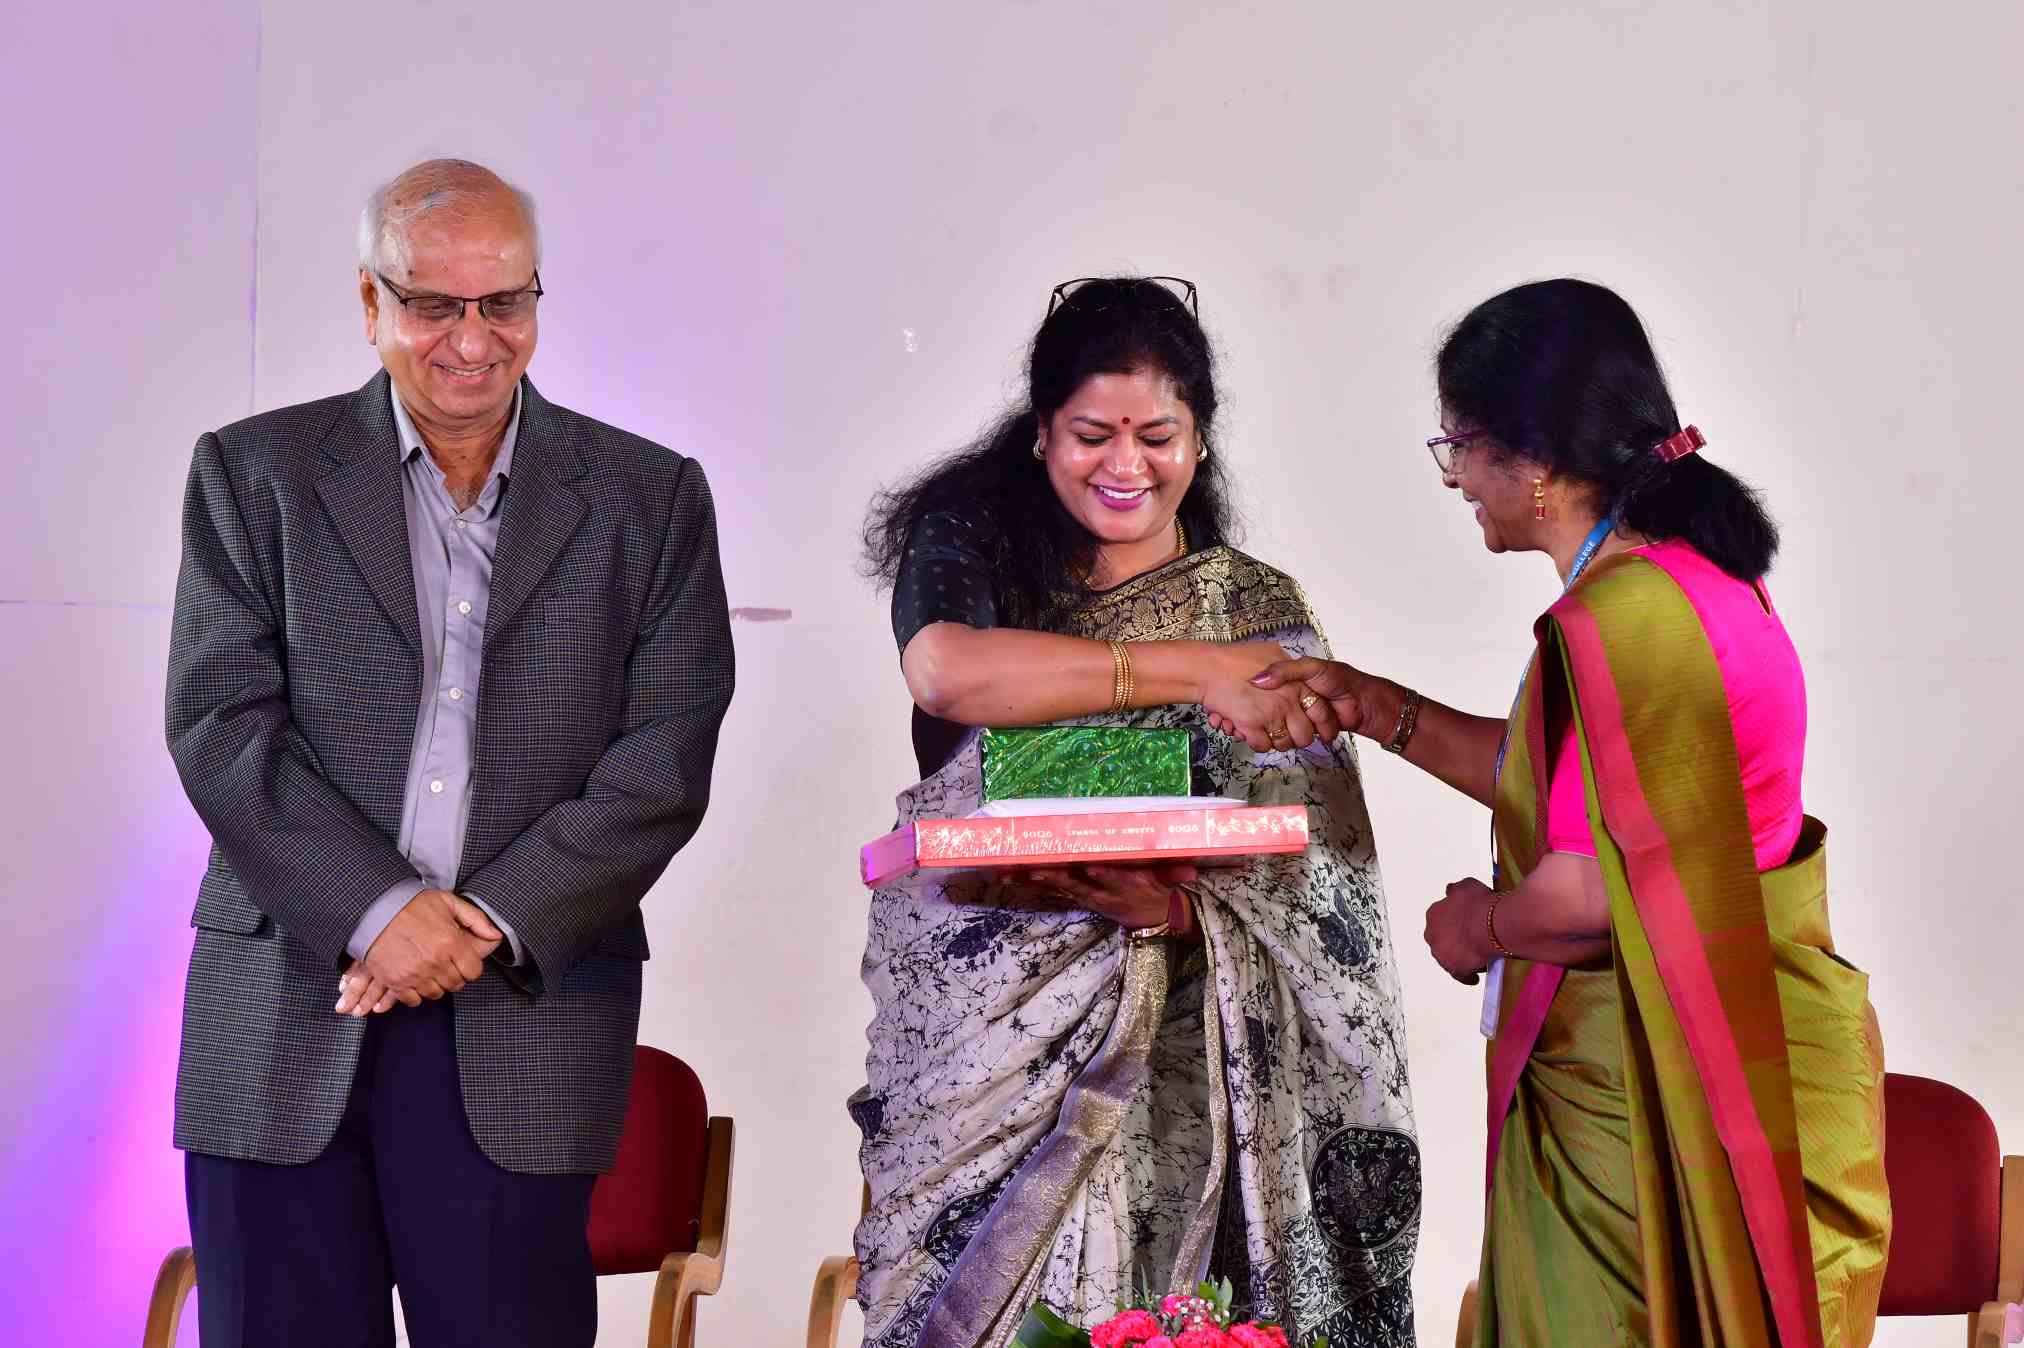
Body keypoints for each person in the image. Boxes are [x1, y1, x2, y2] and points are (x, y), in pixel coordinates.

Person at [163, 158, 734, 1347]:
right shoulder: (254, 475)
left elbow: (664, 754)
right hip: (285, 999)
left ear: (536, 296)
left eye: (504, 301)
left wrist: (471, 923)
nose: (472, 340)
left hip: (523, 1007)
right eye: (432, 304)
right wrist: (378, 911)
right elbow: (222, 724)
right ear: (371, 302)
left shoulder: (648, 498)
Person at [1259, 279, 1890, 1345]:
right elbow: (1581, 798)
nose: (1454, 476)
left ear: (1535, 460)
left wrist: (1478, 924)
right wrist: (1375, 706)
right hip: (1718, 1062)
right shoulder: (1690, 581)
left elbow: (1593, 891)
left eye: (1459, 445)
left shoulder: (1627, 618)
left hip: (1645, 1106)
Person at [851, 277, 1420, 1348]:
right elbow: (945, 674)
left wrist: (1177, 917)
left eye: (1156, 436)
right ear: (1040, 434)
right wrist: (1196, 671)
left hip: (1194, 1048)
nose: (1125, 465)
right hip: (986, 1046)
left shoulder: (1253, 606)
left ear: (1199, 440)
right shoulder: (975, 552)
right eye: (1090, 436)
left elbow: (1323, 888)